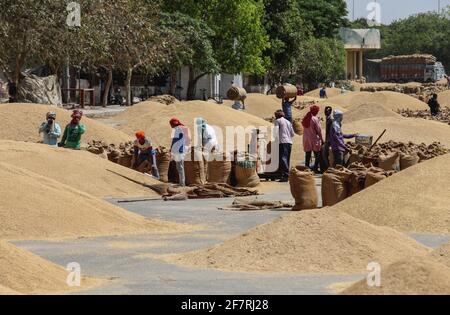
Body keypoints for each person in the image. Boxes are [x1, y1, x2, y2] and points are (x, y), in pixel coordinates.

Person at [274, 110, 295, 182]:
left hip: (282, 142)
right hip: (289, 142)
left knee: (283, 158)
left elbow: (275, 132)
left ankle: (286, 175)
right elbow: (292, 134)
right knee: (287, 159)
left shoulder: (277, 121)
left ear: (277, 116)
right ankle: (284, 174)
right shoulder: (288, 122)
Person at [302, 105, 323, 173]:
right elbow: (318, 130)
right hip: (313, 138)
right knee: (317, 154)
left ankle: (306, 168)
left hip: (306, 138)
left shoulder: (306, 118)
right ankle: (315, 168)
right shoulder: (315, 119)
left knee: (308, 154)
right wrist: (321, 139)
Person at [170, 117, 189, 187]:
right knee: (180, 167)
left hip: (178, 150)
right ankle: (182, 182)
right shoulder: (183, 128)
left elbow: (174, 140)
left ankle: (182, 184)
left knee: (180, 167)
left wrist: (171, 148)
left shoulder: (177, 129)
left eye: (171, 125)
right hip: (181, 149)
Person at [321, 106, 334, 171]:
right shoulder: (327, 118)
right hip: (327, 139)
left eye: (327, 111)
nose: (325, 112)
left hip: (329, 140)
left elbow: (331, 131)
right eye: (325, 111)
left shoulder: (331, 119)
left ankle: (328, 168)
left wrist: (328, 140)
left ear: (330, 112)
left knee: (326, 155)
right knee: (325, 154)